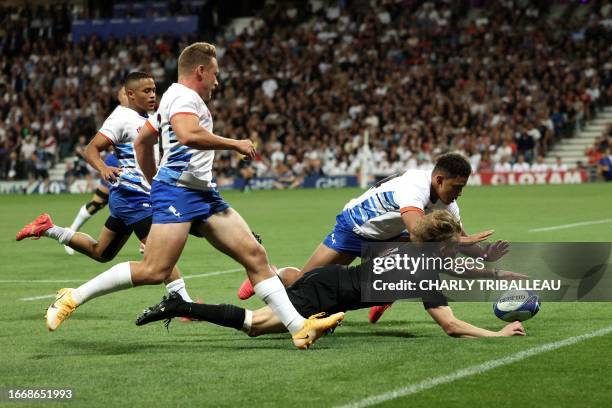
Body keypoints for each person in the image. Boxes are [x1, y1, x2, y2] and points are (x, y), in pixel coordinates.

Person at [39, 42, 343, 349]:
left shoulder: (172, 96)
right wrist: (234, 143)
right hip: (180, 193)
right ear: (201, 70)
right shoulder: (185, 97)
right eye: (215, 74)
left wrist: (153, 178)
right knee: (155, 270)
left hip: (202, 193)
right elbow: (187, 135)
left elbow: (143, 142)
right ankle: (72, 297)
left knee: (255, 255)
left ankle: (298, 328)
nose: (217, 81)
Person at [138, 211, 526, 339]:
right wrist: (497, 333)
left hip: (327, 281)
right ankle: (181, 302)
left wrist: (500, 274)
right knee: (255, 326)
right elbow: (452, 325)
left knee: (271, 315)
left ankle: (263, 269)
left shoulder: (407, 244)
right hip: (324, 296)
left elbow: (459, 267)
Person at [16, 72, 194, 331]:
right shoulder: (121, 117)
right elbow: (91, 148)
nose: (152, 95)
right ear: (130, 94)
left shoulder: (151, 118)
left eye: (154, 89)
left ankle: (48, 228)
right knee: (159, 255)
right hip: (134, 197)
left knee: (102, 252)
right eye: (146, 91)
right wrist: (102, 167)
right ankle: (184, 303)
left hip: (132, 198)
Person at [63, 87, 129, 255]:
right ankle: (70, 232)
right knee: (99, 202)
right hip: (117, 162)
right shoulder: (119, 115)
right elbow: (102, 142)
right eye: (124, 93)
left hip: (134, 165)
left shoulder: (143, 112)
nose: (128, 96)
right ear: (119, 97)